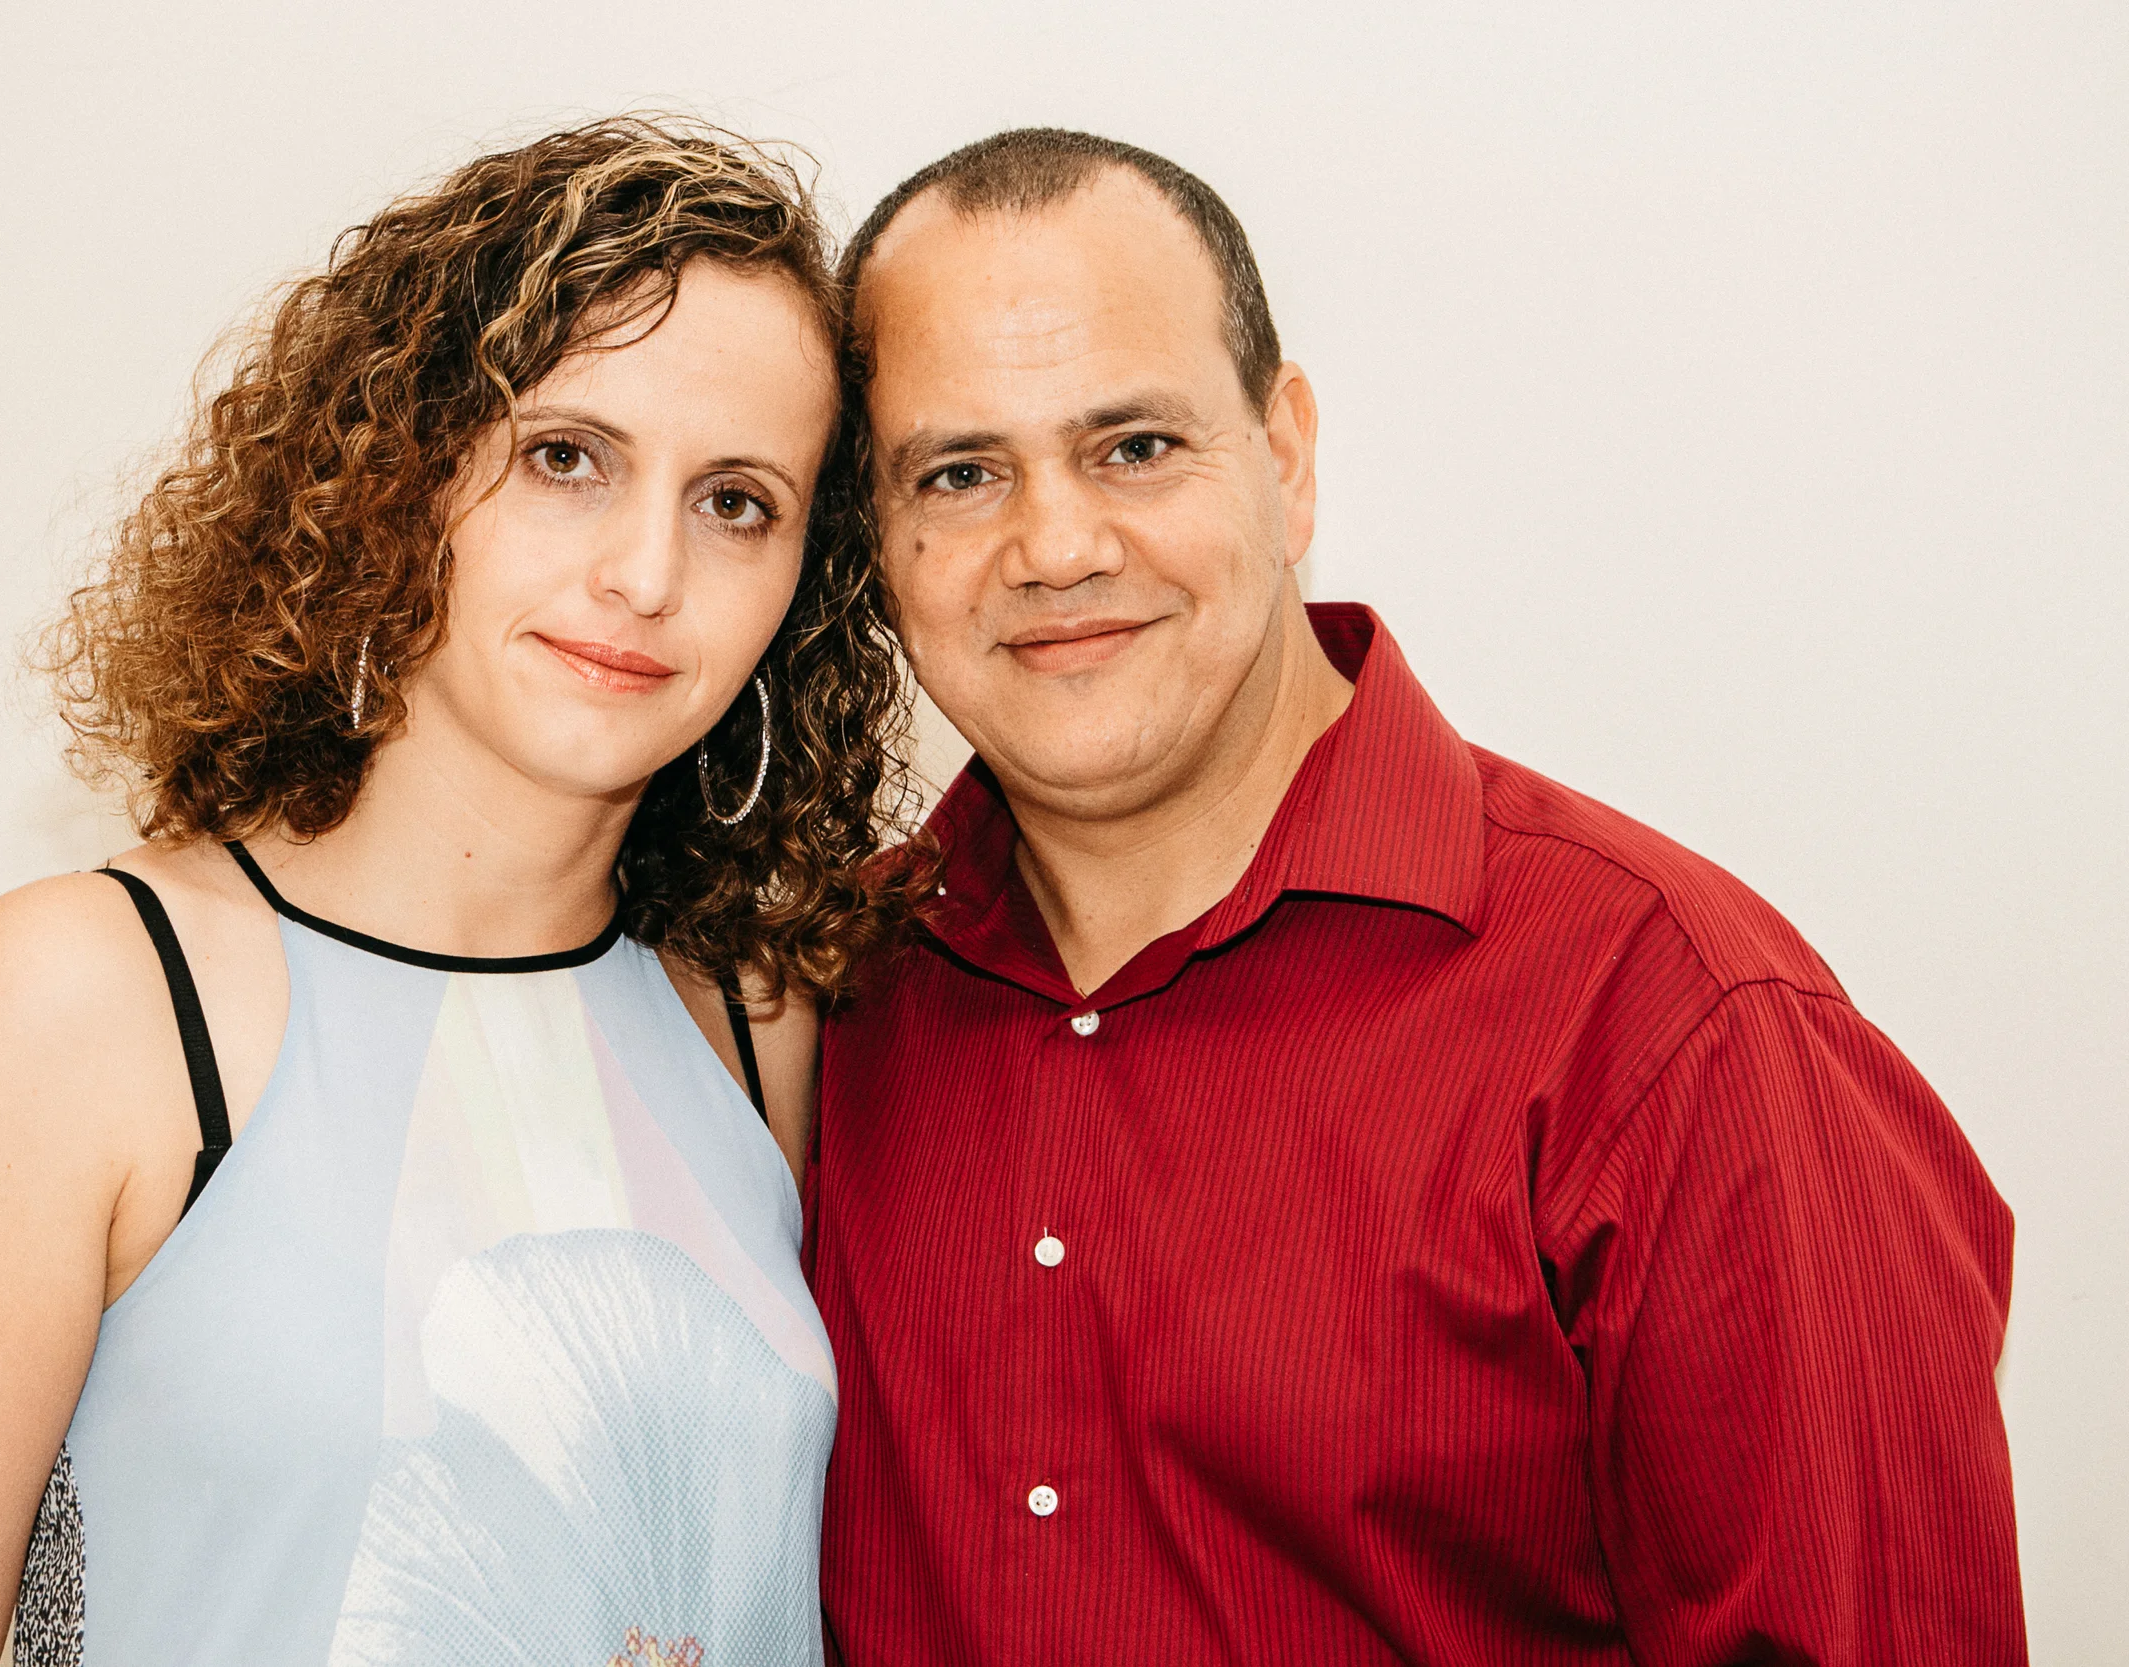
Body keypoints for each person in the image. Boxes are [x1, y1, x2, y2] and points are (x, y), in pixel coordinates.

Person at [809, 128, 2025, 1664]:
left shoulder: (1684, 1029)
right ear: (875, 539)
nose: (1056, 546)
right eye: (961, 472)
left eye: (1136, 446)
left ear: (1287, 455)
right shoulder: (813, 1003)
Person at [0, 117, 926, 1667]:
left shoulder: (758, 1024)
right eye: (567, 457)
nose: (648, 573)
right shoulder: (83, 1000)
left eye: (738, 501)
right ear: (399, 472)